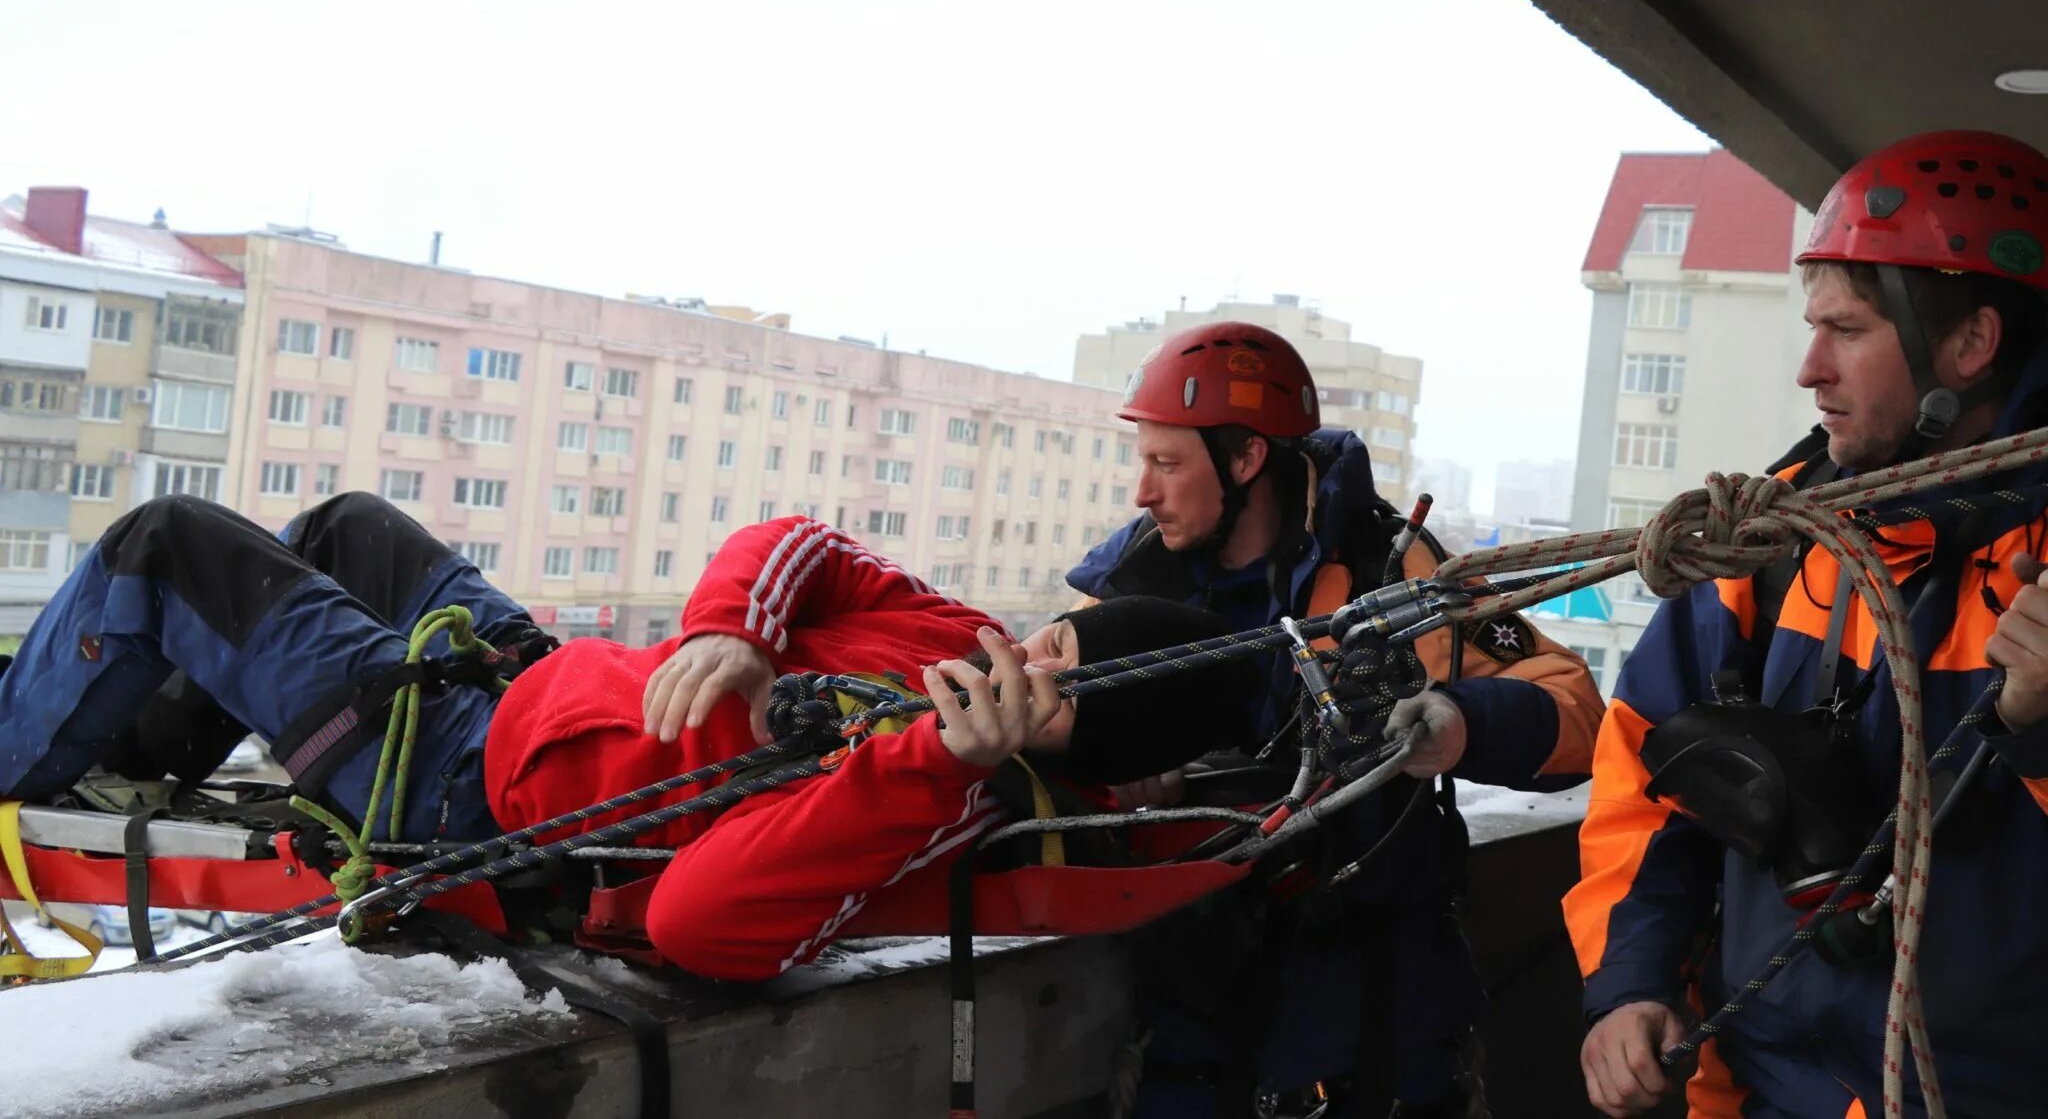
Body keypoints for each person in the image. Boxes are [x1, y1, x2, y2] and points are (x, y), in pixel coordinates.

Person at [0, 494, 1249, 978]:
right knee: (341, 530)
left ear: (1065, 746)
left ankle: (14, 763)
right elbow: (797, 542)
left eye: (1056, 684)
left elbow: (699, 923)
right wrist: (740, 630)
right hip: (537, 679)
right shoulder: (963, 630)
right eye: (1056, 639)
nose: (1022, 660)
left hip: (455, 780)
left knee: (162, 550)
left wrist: (924, 766)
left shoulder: (934, 793)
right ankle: (120, 744)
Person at [1569, 129, 2048, 1119]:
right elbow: (1646, 782)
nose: (1807, 368)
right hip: (1760, 1092)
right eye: (1809, 325)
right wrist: (1630, 983)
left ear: (1968, 345)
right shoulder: (1772, 547)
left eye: (1847, 330)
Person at [1061, 322, 1606, 1118]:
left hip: (1372, 1024)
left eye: (1166, 464)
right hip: (1192, 1018)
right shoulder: (1130, 587)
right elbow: (1051, 723)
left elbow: (1577, 710)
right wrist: (1117, 769)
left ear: (1246, 458)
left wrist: (1458, 723)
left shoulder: (1392, 574)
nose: (1143, 492)